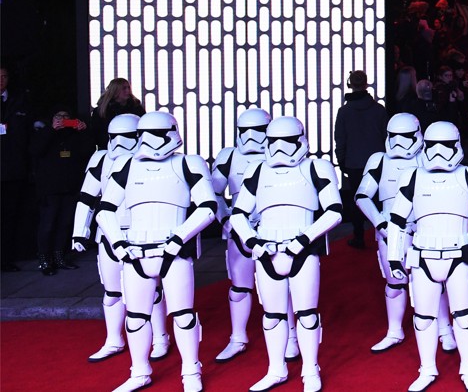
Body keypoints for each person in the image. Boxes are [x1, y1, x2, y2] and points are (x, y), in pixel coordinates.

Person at [95, 111, 218, 392]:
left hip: (172, 252)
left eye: (158, 134)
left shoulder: (189, 163)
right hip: (136, 251)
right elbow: (105, 210)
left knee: (183, 314)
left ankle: (190, 371)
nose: (151, 142)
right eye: (145, 135)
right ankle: (139, 371)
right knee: (136, 316)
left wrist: (179, 237)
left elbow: (207, 207)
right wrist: (119, 243)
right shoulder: (127, 166)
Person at [229, 116, 342, 392]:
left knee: (306, 313)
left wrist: (303, 239)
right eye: (274, 143)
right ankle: (276, 368)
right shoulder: (257, 171)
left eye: (287, 142)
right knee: (273, 315)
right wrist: (253, 241)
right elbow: (239, 214)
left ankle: (309, 369)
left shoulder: (317, 167)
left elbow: (334, 211)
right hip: (267, 250)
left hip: (302, 250)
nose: (280, 149)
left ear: (301, 140)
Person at [387, 121, 468, 392]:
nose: (438, 152)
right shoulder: (412, 176)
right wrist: (393, 256)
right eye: (432, 146)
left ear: (456, 145)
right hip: (423, 255)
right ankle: (427, 368)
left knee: (464, 315)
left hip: (458, 254)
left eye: (445, 146)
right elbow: (397, 219)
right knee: (423, 317)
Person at [73, 113, 170, 362]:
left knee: (153, 288)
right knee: (112, 291)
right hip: (109, 232)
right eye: (113, 137)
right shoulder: (101, 160)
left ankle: (160, 337)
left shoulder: (152, 160)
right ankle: (113, 338)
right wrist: (79, 232)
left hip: (142, 234)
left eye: (126, 137)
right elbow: (86, 197)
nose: (119, 143)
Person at [356, 114, 455, 356]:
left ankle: (444, 329)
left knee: (435, 281)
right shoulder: (379, 160)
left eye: (406, 137)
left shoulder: (428, 157)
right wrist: (381, 224)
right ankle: (394, 330)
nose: (400, 143)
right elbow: (362, 195)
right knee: (394, 282)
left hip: (423, 230)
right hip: (390, 230)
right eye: (395, 137)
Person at [210, 108, 300, 364]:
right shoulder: (229, 157)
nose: (251, 138)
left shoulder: (286, 157)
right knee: (239, 286)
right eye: (245, 132)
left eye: (259, 132)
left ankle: (291, 336)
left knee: (285, 284)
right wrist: (225, 219)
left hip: (275, 231)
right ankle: (238, 337)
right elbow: (214, 193)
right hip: (241, 228)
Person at [31, 108, 95, 273]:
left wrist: (83, 132)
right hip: (50, 188)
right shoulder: (44, 132)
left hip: (70, 186)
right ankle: (45, 259)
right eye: (59, 116)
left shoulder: (74, 135)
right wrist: (51, 130)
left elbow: (87, 152)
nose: (63, 120)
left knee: (65, 224)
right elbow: (36, 151)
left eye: (66, 117)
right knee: (48, 224)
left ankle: (60, 256)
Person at [333, 70, 389, 249]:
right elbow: (386, 136)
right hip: (377, 162)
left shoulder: (344, 111)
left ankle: (358, 237)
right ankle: (383, 234)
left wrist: (342, 161)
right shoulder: (379, 109)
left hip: (354, 162)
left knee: (358, 200)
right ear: (366, 84)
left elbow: (340, 138)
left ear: (350, 84)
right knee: (380, 200)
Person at [0, 67, 33, 272]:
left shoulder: (18, 101)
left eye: (4, 76)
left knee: (9, 216)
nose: (1, 80)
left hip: (12, 169)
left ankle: (5, 258)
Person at [90, 78, 146, 150]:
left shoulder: (137, 108)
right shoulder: (101, 111)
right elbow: (97, 135)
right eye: (124, 88)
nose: (128, 91)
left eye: (128, 87)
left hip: (134, 150)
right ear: (115, 91)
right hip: (108, 150)